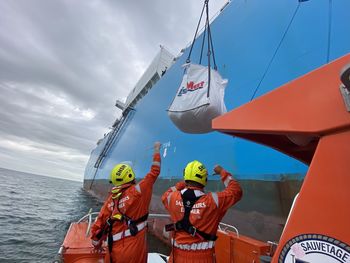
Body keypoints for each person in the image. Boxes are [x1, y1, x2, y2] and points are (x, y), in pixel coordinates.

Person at [90, 142, 161, 263]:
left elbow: (99, 223)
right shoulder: (139, 191)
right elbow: (154, 171)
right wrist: (157, 150)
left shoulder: (110, 200)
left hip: (113, 251)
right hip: (133, 249)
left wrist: (96, 243)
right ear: (131, 176)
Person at [162, 160, 242, 263]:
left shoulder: (171, 198)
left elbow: (166, 194)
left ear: (185, 177)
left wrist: (184, 181)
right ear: (205, 180)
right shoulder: (214, 201)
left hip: (177, 257)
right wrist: (222, 172)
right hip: (203, 258)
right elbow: (236, 191)